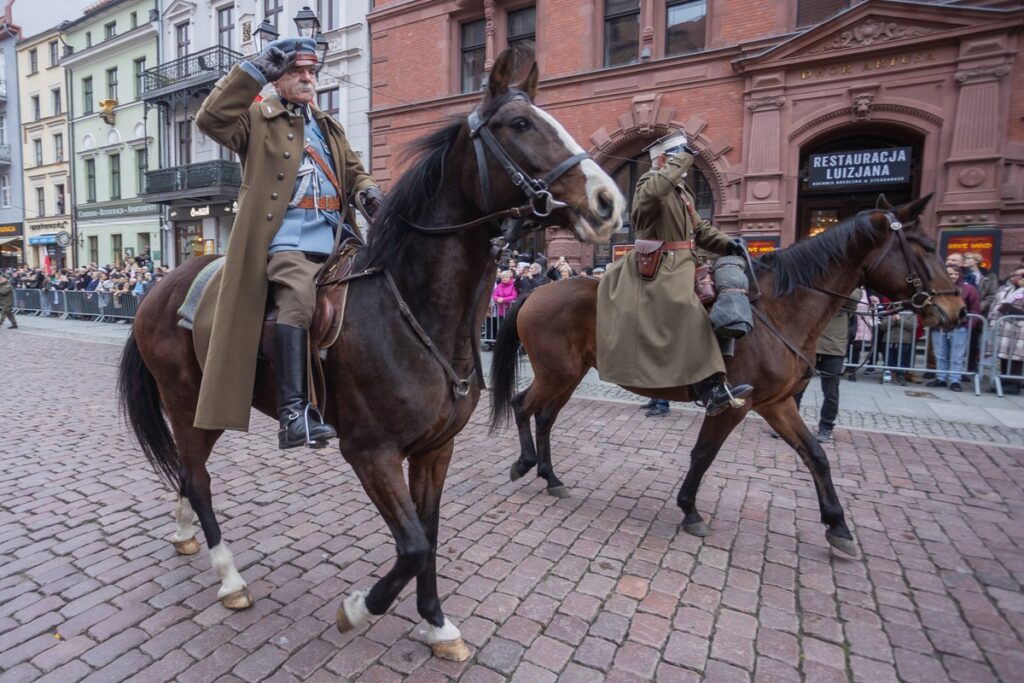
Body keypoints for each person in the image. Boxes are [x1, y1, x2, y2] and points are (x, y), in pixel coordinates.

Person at [194, 36, 384, 448]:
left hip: (337, 237)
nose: (307, 79)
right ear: (279, 79)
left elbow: (354, 172)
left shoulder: (327, 124)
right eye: (297, 72)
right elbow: (211, 119)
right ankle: (293, 414)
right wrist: (253, 70)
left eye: (311, 73)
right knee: (298, 300)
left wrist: (369, 191)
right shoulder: (257, 117)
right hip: (288, 238)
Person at [597, 131, 752, 416]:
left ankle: (724, 370)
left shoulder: (683, 193)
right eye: (680, 157)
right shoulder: (648, 183)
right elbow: (655, 192)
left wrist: (727, 242)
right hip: (659, 266)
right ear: (665, 160)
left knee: (724, 301)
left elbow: (700, 231)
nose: (686, 163)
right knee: (687, 306)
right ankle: (710, 389)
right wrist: (677, 158)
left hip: (685, 264)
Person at [790, 290, 860, 442]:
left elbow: (853, 299)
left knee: (830, 391)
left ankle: (826, 426)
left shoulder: (849, 284)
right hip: (810, 344)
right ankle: (791, 424)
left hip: (833, 347)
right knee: (796, 388)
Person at [927, 265, 979, 392]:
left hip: (959, 328)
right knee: (940, 355)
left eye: (955, 274)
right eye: (950, 274)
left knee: (957, 356)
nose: (953, 276)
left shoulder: (968, 289)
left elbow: (975, 309)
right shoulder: (937, 288)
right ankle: (941, 378)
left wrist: (968, 325)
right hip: (940, 327)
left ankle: (955, 380)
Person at [990, 267, 1024, 394]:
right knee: (1004, 355)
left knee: (1016, 357)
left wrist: (1009, 309)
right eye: (1016, 275)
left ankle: (1014, 384)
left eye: (1022, 275)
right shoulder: (1007, 289)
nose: (1018, 278)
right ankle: (1004, 380)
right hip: (1004, 328)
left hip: (1020, 329)